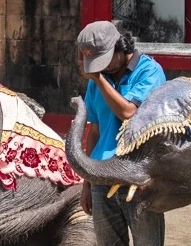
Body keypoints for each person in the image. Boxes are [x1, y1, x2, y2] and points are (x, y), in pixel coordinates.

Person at [76, 21, 166, 246]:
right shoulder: (97, 80)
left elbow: (128, 112)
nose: (101, 68)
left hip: (137, 178)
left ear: (120, 47)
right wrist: (87, 183)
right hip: (101, 176)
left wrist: (98, 79)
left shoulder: (149, 71)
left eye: (103, 61)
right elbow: (95, 131)